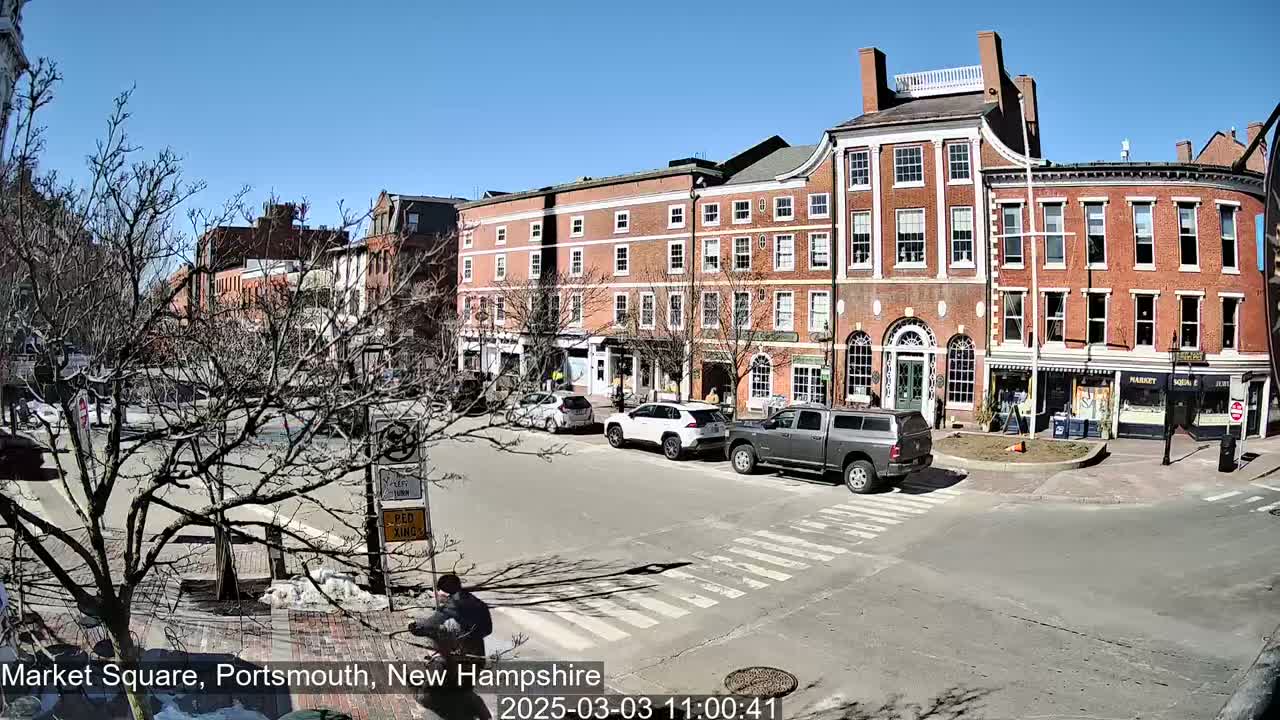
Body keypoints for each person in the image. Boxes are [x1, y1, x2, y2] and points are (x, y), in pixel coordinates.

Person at [408, 574, 492, 690]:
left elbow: (430, 625)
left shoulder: (452, 607)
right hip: (477, 656)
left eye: (438, 590)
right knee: (465, 689)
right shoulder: (478, 603)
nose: (437, 593)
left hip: (459, 656)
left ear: (445, 593)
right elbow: (488, 630)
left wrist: (414, 627)